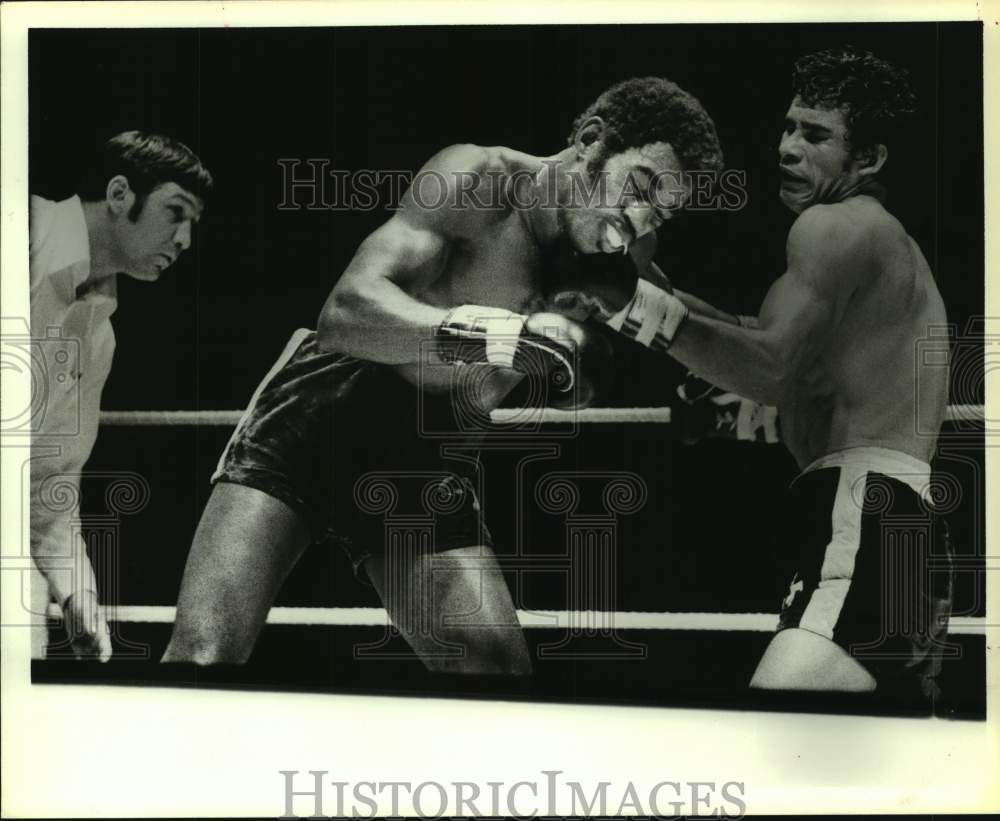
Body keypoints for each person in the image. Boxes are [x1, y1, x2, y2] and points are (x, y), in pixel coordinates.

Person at [162, 77, 724, 673]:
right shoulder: (477, 179)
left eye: (661, 211)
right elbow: (345, 314)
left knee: (496, 677)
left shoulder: (623, 254)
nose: (638, 218)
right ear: (590, 141)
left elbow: (693, 326)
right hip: (320, 412)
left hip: (430, 454)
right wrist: (500, 337)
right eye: (639, 187)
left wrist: (735, 391)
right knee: (204, 656)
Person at [565, 48, 953, 697]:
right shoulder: (874, 241)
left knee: (768, 725)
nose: (788, 148)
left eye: (816, 136)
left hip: (863, 512)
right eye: (789, 127)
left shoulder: (833, 227)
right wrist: (638, 288)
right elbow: (756, 339)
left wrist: (629, 304)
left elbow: (771, 370)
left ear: (868, 159)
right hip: (890, 519)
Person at [30, 131, 211, 661]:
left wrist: (76, 592)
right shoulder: (23, 228)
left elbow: (48, 485)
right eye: (175, 213)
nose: (184, 240)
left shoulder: (97, 337)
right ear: (118, 193)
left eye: (192, 223)